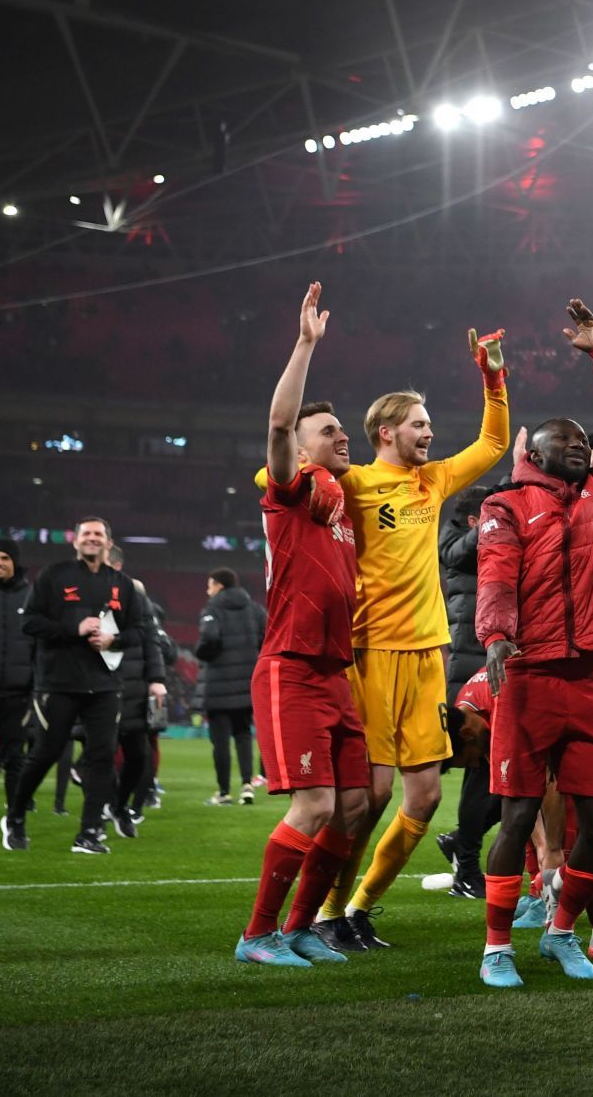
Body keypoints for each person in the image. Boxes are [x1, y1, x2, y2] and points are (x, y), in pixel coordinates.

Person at [312, 318, 510, 953]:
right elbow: (273, 481)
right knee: (368, 798)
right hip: (370, 655)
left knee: (423, 795)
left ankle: (363, 905)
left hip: (428, 655)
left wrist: (492, 375)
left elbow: (493, 442)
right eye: (419, 425)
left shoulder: (433, 482)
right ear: (385, 433)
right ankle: (327, 910)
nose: (430, 433)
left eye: (429, 424)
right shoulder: (353, 483)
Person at [474, 298, 593, 989]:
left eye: (583, 438)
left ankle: (560, 931)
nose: (579, 443)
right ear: (531, 451)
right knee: (517, 816)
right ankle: (494, 946)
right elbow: (496, 577)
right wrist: (495, 635)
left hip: (587, 679)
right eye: (562, 438)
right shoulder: (507, 506)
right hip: (527, 676)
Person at [234, 281, 372, 967]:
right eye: (329, 430)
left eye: (343, 428)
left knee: (353, 807)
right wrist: (305, 343)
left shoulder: (341, 511)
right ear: (304, 446)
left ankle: (298, 927)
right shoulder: (291, 492)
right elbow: (279, 426)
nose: (341, 434)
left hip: (335, 675)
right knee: (314, 805)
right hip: (290, 667)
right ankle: (256, 935)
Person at [3, 517, 156, 854]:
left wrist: (113, 639)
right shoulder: (53, 575)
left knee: (102, 757)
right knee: (45, 754)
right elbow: (29, 622)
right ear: (75, 540)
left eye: (98, 534)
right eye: (86, 533)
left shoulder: (123, 585)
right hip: (59, 682)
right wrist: (74, 628)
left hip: (104, 685)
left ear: (108, 542)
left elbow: (140, 632)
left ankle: (89, 833)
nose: (92, 539)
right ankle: (15, 816)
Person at [435, 486, 494, 899]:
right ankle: (467, 864)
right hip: (474, 664)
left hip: (490, 656)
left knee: (505, 773)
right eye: (493, 515)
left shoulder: (474, 541)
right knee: (482, 771)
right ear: (477, 521)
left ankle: (461, 843)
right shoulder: (457, 544)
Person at [104, 544, 169, 838]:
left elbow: (151, 640)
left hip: (133, 685)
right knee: (98, 755)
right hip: (98, 685)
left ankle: (119, 805)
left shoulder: (135, 596)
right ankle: (92, 824)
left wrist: (156, 679)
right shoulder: (79, 592)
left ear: (116, 565)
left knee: (139, 756)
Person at [197, 568, 266, 806]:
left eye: (209, 586)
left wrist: (202, 654)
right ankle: (247, 785)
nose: (208, 591)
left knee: (220, 741)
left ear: (218, 586)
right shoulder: (255, 609)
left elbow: (209, 637)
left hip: (218, 684)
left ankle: (224, 792)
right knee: (244, 735)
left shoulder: (213, 608)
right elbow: (267, 637)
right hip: (248, 683)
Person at [0, 539, 35, 807]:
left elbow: (39, 643)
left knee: (15, 757)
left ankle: (16, 816)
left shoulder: (31, 596)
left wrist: (35, 684)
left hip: (17, 691)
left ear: (15, 563)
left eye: (4, 558)